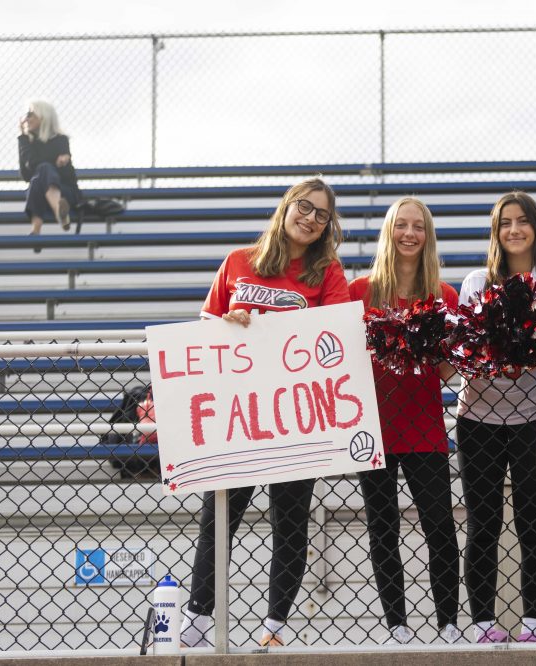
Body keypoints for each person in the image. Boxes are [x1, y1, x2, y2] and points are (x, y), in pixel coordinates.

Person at [179, 177, 350, 648]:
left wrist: (282, 327)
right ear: (286, 207)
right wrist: (231, 326)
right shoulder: (239, 262)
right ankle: (196, 622)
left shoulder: (328, 272)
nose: (311, 218)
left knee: (290, 523)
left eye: (322, 214)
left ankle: (274, 629)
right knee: (219, 518)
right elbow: (205, 331)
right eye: (304, 207)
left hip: (296, 417)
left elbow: (335, 336)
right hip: (241, 415)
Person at [456, 191, 536, 644]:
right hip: (477, 419)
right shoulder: (475, 282)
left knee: (533, 522)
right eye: (505, 222)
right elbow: (466, 349)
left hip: (533, 419)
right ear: (495, 231)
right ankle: (483, 624)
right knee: (483, 523)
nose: (514, 230)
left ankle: (533, 626)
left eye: (522, 221)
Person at [348, 197, 462, 644]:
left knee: (440, 526)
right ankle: (396, 624)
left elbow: (449, 372)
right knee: (383, 528)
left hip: (424, 426)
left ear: (428, 235)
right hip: (373, 428)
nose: (409, 234)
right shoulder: (360, 291)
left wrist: (472, 353)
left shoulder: (444, 296)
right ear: (389, 232)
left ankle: (449, 623)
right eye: (401, 225)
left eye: (418, 226)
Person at [17, 100, 79, 245]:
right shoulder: (27, 141)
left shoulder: (61, 139)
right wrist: (22, 138)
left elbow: (67, 176)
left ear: (43, 116)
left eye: (30, 114)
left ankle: (36, 229)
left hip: (66, 192)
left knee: (42, 171)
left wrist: (56, 163)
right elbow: (26, 174)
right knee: (37, 178)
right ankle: (60, 213)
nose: (26, 118)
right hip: (40, 191)